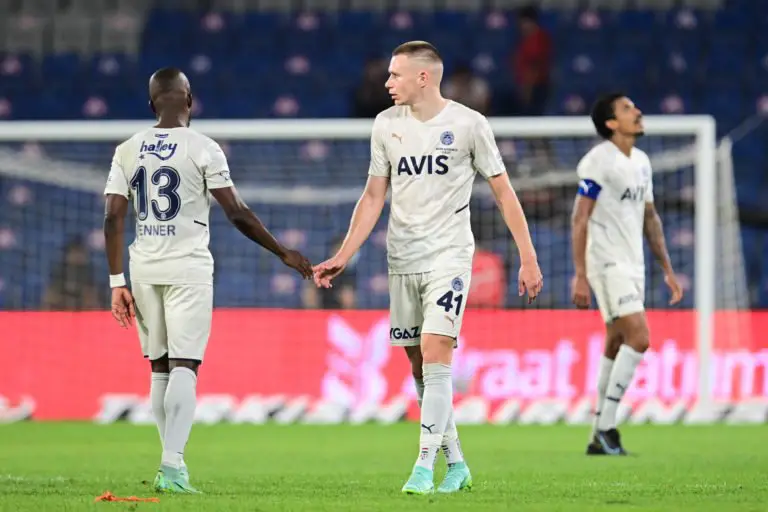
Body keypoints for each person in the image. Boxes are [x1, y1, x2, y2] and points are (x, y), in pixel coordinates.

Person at [313, 41, 543, 494]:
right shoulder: (385, 124)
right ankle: (456, 464)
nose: (387, 82)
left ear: (423, 77)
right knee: (420, 365)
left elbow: (503, 192)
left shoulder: (469, 124)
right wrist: (345, 253)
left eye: (395, 74)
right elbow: (373, 196)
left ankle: (422, 468)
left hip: (449, 255)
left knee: (437, 349)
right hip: (403, 257)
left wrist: (528, 256)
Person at [103, 67, 313, 493]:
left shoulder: (127, 149)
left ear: (151, 103)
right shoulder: (203, 148)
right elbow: (237, 213)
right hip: (188, 268)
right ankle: (172, 466)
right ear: (190, 100)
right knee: (185, 363)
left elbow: (112, 217)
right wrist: (282, 251)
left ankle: (171, 463)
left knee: (159, 366)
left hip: (143, 268)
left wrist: (115, 281)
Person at [571, 92, 683, 456]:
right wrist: (580, 274)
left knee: (616, 342)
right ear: (611, 123)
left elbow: (650, 217)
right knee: (640, 337)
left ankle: (597, 436)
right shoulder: (598, 161)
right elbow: (580, 218)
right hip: (606, 262)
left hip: (634, 264)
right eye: (627, 108)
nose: (637, 111)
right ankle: (607, 427)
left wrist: (667, 269)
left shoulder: (642, 162)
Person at [42, 236, 102, 311]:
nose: (78, 256)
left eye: (80, 252)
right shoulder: (60, 270)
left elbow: (92, 299)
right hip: (61, 308)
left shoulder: (88, 271)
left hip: (81, 310)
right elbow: (51, 296)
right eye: (75, 252)